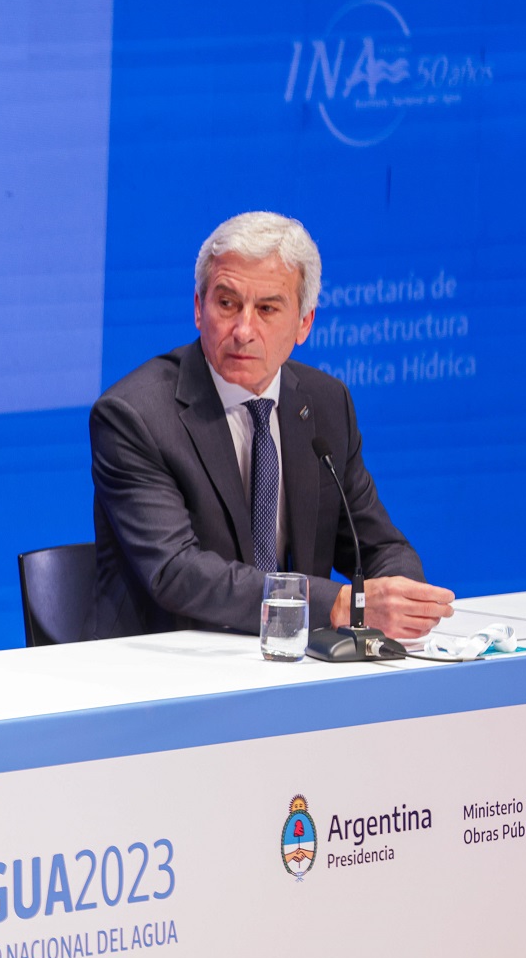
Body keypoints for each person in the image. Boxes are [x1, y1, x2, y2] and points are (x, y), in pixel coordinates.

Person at [86, 212, 454, 641]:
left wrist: (401, 599)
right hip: (168, 667)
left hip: (294, 665)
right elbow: (177, 572)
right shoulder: (135, 415)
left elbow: (379, 546)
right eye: (227, 304)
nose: (244, 330)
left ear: (304, 323)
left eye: (267, 309)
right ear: (198, 309)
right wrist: (338, 604)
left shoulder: (325, 403)